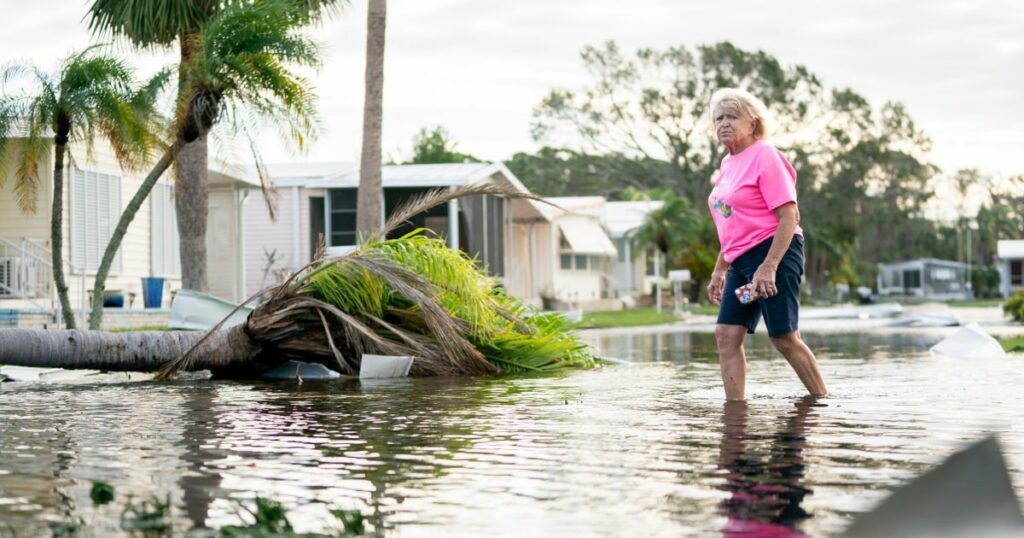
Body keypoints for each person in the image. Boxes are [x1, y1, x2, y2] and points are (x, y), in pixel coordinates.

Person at [705, 88, 827, 401]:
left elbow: (789, 215)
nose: (724, 124)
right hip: (741, 260)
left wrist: (768, 266)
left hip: (775, 252)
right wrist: (720, 270)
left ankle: (823, 403)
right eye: (719, 118)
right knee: (726, 335)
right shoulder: (727, 165)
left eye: (733, 117)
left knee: (784, 337)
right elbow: (733, 224)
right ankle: (735, 414)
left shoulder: (765, 156)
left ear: (753, 124)